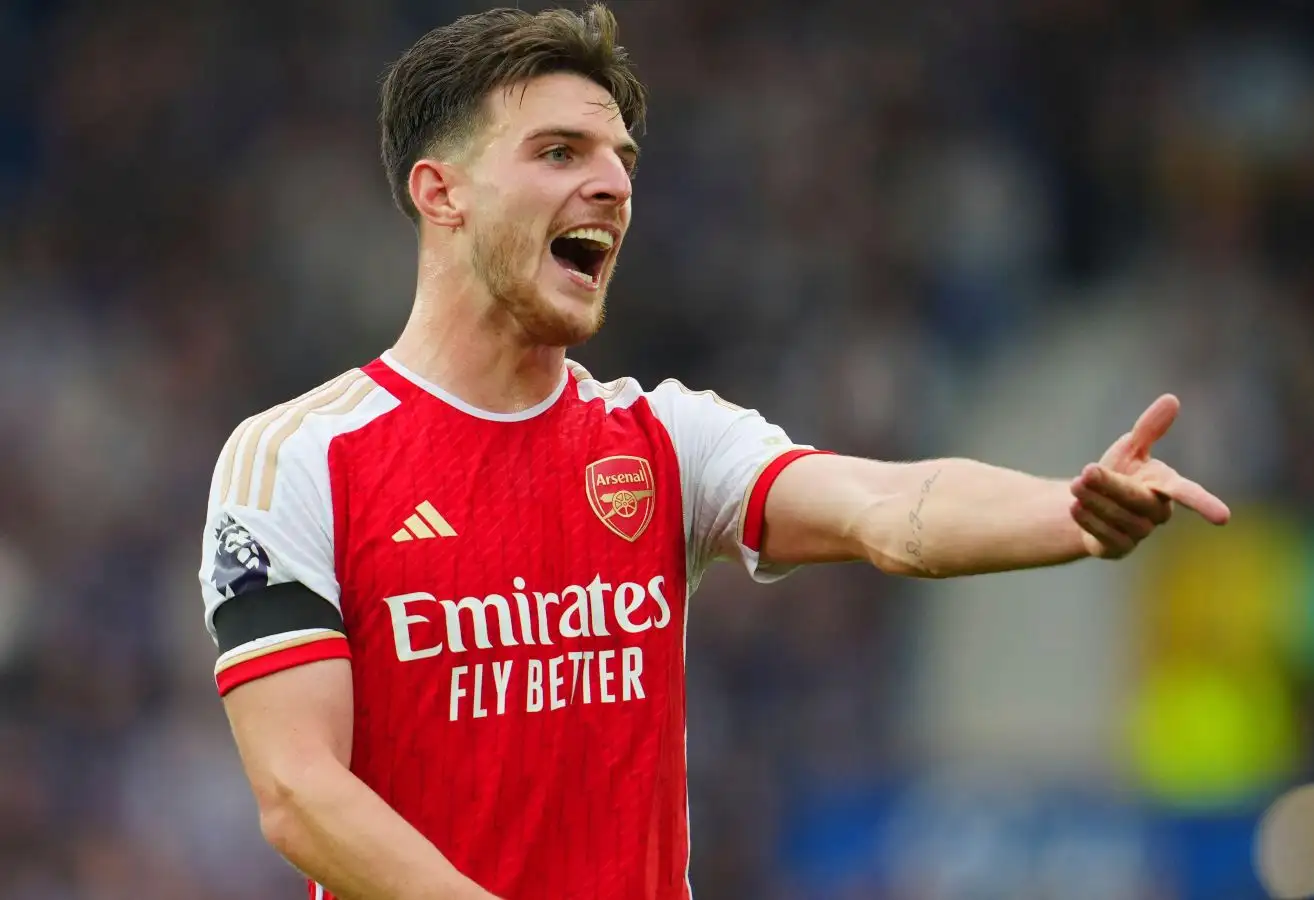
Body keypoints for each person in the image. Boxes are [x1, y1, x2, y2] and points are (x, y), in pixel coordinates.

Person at [197, 5, 1230, 899]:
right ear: (441, 193)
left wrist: (1066, 512)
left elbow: (890, 507)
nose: (610, 185)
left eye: (621, 162)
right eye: (559, 153)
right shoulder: (295, 459)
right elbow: (299, 794)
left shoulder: (662, 440)